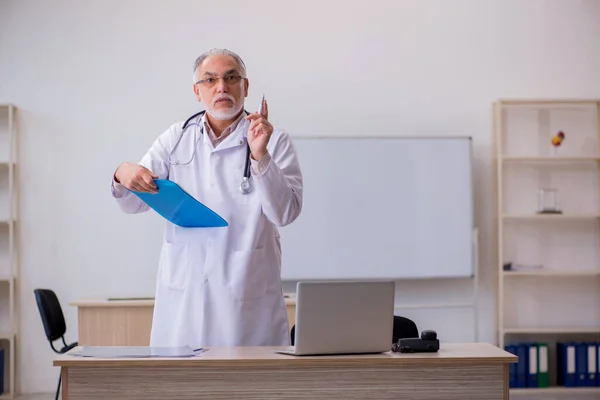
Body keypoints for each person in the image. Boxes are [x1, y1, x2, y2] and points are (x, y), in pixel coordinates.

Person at [110, 48, 303, 348]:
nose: (221, 87)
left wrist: (260, 155)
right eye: (210, 80)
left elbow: (285, 213)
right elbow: (133, 201)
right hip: (185, 303)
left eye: (231, 78)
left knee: (251, 390)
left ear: (246, 86)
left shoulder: (275, 139)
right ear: (197, 91)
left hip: (248, 305)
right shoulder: (176, 138)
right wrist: (122, 172)